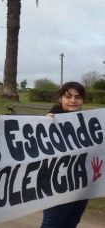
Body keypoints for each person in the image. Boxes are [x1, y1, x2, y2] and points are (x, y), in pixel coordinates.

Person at [41, 81, 88, 228]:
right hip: (57, 185)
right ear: (60, 99)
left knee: (71, 223)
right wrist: (46, 122)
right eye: (68, 96)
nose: (73, 100)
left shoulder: (87, 121)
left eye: (78, 97)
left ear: (82, 100)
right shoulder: (51, 119)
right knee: (53, 224)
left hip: (82, 184)